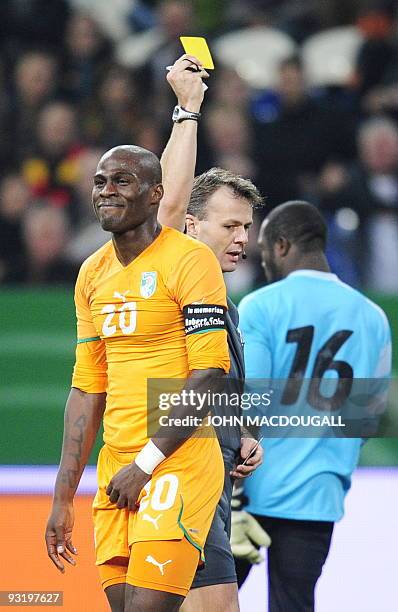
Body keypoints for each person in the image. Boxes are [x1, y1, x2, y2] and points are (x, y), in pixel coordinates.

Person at [45, 143, 232, 611]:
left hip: (176, 464)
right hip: (116, 470)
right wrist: (63, 495)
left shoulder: (190, 260)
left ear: (155, 195)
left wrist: (145, 465)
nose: (106, 192)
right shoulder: (92, 273)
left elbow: (208, 374)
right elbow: (87, 388)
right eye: (100, 182)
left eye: (122, 181)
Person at [234, 200, 392, 611]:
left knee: (208, 601)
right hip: (317, 496)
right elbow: (368, 415)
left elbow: (251, 403)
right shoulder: (374, 317)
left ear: (282, 246)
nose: (263, 260)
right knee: (295, 603)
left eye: (265, 249)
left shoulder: (261, 305)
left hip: (248, 494)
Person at [158, 55, 267, 612]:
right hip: (179, 481)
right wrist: (187, 110)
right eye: (231, 225)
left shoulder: (223, 301)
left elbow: (215, 387)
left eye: (247, 227)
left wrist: (241, 432)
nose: (243, 238)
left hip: (213, 484)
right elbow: (168, 204)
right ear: (191, 227)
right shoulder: (170, 272)